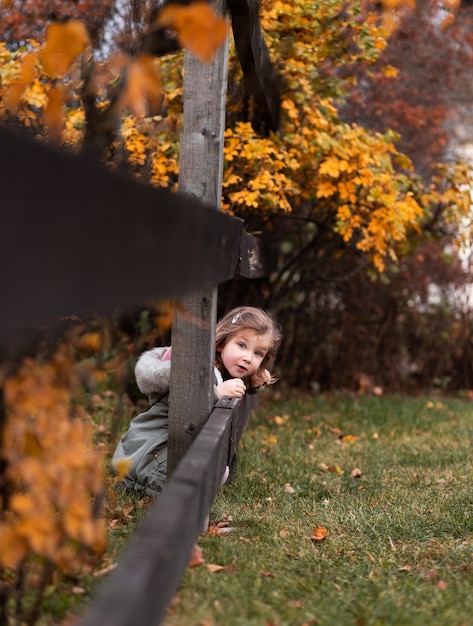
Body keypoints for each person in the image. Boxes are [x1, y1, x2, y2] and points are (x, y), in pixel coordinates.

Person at [112, 306, 282, 497]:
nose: (248, 358)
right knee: (206, 474)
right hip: (152, 453)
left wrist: (255, 381)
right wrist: (216, 393)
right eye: (242, 345)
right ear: (220, 344)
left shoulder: (224, 367)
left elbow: (239, 382)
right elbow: (186, 404)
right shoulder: (195, 368)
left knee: (214, 469)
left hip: (169, 447)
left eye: (258, 353)